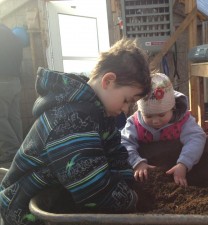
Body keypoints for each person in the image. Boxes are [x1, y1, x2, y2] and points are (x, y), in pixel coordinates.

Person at [0, 38, 151, 225]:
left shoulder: (101, 116)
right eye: (127, 100)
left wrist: (128, 184)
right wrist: (132, 201)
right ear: (108, 81)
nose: (127, 110)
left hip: (64, 196)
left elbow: (116, 154)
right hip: (27, 211)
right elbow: (92, 189)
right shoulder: (71, 121)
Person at [121, 73, 206, 187]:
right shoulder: (134, 123)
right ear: (141, 111)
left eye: (161, 115)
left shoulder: (183, 121)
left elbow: (196, 137)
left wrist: (184, 164)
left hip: (176, 162)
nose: (155, 121)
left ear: (173, 108)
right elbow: (124, 142)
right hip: (145, 167)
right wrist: (137, 163)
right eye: (148, 116)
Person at [0, 23, 23, 163]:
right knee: (14, 117)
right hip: (15, 81)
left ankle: (11, 151)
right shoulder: (14, 37)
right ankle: (20, 150)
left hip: (2, 80)